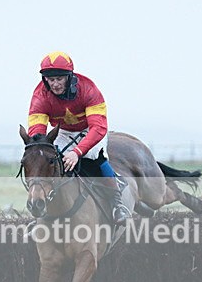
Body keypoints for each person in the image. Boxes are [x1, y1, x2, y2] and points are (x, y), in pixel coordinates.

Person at [27, 51, 131, 224]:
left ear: (69, 77)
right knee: (51, 162)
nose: (55, 84)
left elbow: (98, 127)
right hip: (63, 132)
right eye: (51, 80)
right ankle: (44, 210)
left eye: (59, 79)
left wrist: (77, 152)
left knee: (95, 157)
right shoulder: (40, 96)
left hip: (90, 130)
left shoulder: (89, 89)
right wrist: (39, 149)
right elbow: (37, 130)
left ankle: (117, 203)